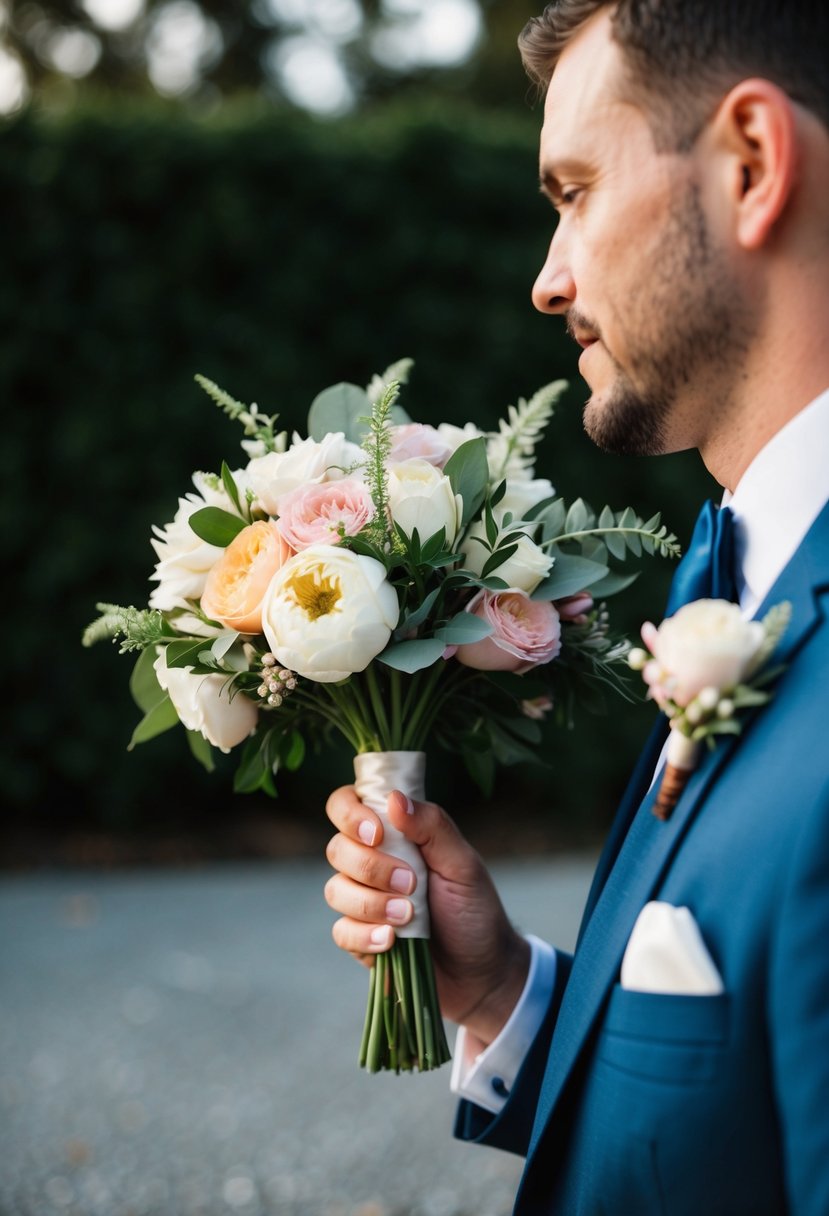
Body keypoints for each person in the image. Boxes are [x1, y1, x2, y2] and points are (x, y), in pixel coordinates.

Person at [323, 2, 829, 1212]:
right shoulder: (735, 572)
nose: (547, 282)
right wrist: (499, 988)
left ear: (751, 164)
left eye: (574, 190)